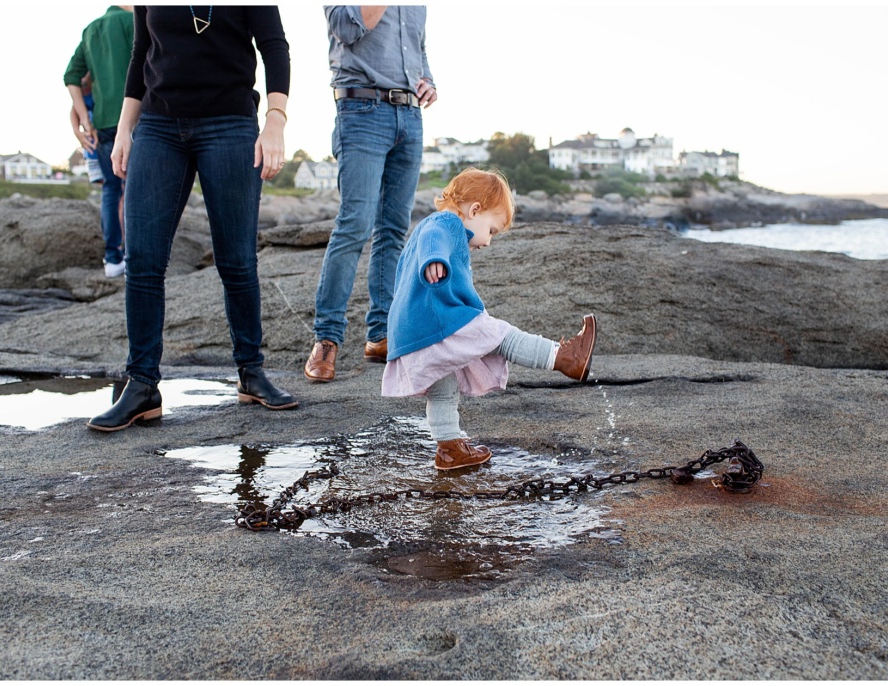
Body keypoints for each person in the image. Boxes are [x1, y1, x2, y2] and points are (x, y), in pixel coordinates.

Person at [86, 5, 296, 432]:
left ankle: (251, 373)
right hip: (159, 127)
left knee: (237, 260)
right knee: (142, 261)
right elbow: (141, 53)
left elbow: (275, 47)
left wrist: (275, 122)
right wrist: (126, 129)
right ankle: (142, 384)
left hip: (231, 124)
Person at [381, 168, 598, 470]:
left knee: (443, 389)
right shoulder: (446, 223)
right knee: (500, 336)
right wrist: (434, 260)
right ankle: (564, 357)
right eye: (492, 230)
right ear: (474, 210)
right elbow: (435, 238)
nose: (489, 241)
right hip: (441, 319)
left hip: (414, 329)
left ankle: (449, 449)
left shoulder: (426, 229)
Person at [304, 5, 438, 383]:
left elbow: (418, 47)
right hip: (361, 110)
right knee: (354, 226)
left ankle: (381, 334)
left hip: (410, 117)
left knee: (394, 229)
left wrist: (427, 78)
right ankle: (327, 340)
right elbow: (347, 28)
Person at [64, 5, 134, 278]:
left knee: (111, 190)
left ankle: (112, 259)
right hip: (136, 120)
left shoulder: (91, 29)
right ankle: (134, 256)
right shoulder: (134, 21)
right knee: (135, 189)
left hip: (102, 125)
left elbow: (71, 76)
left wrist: (85, 121)